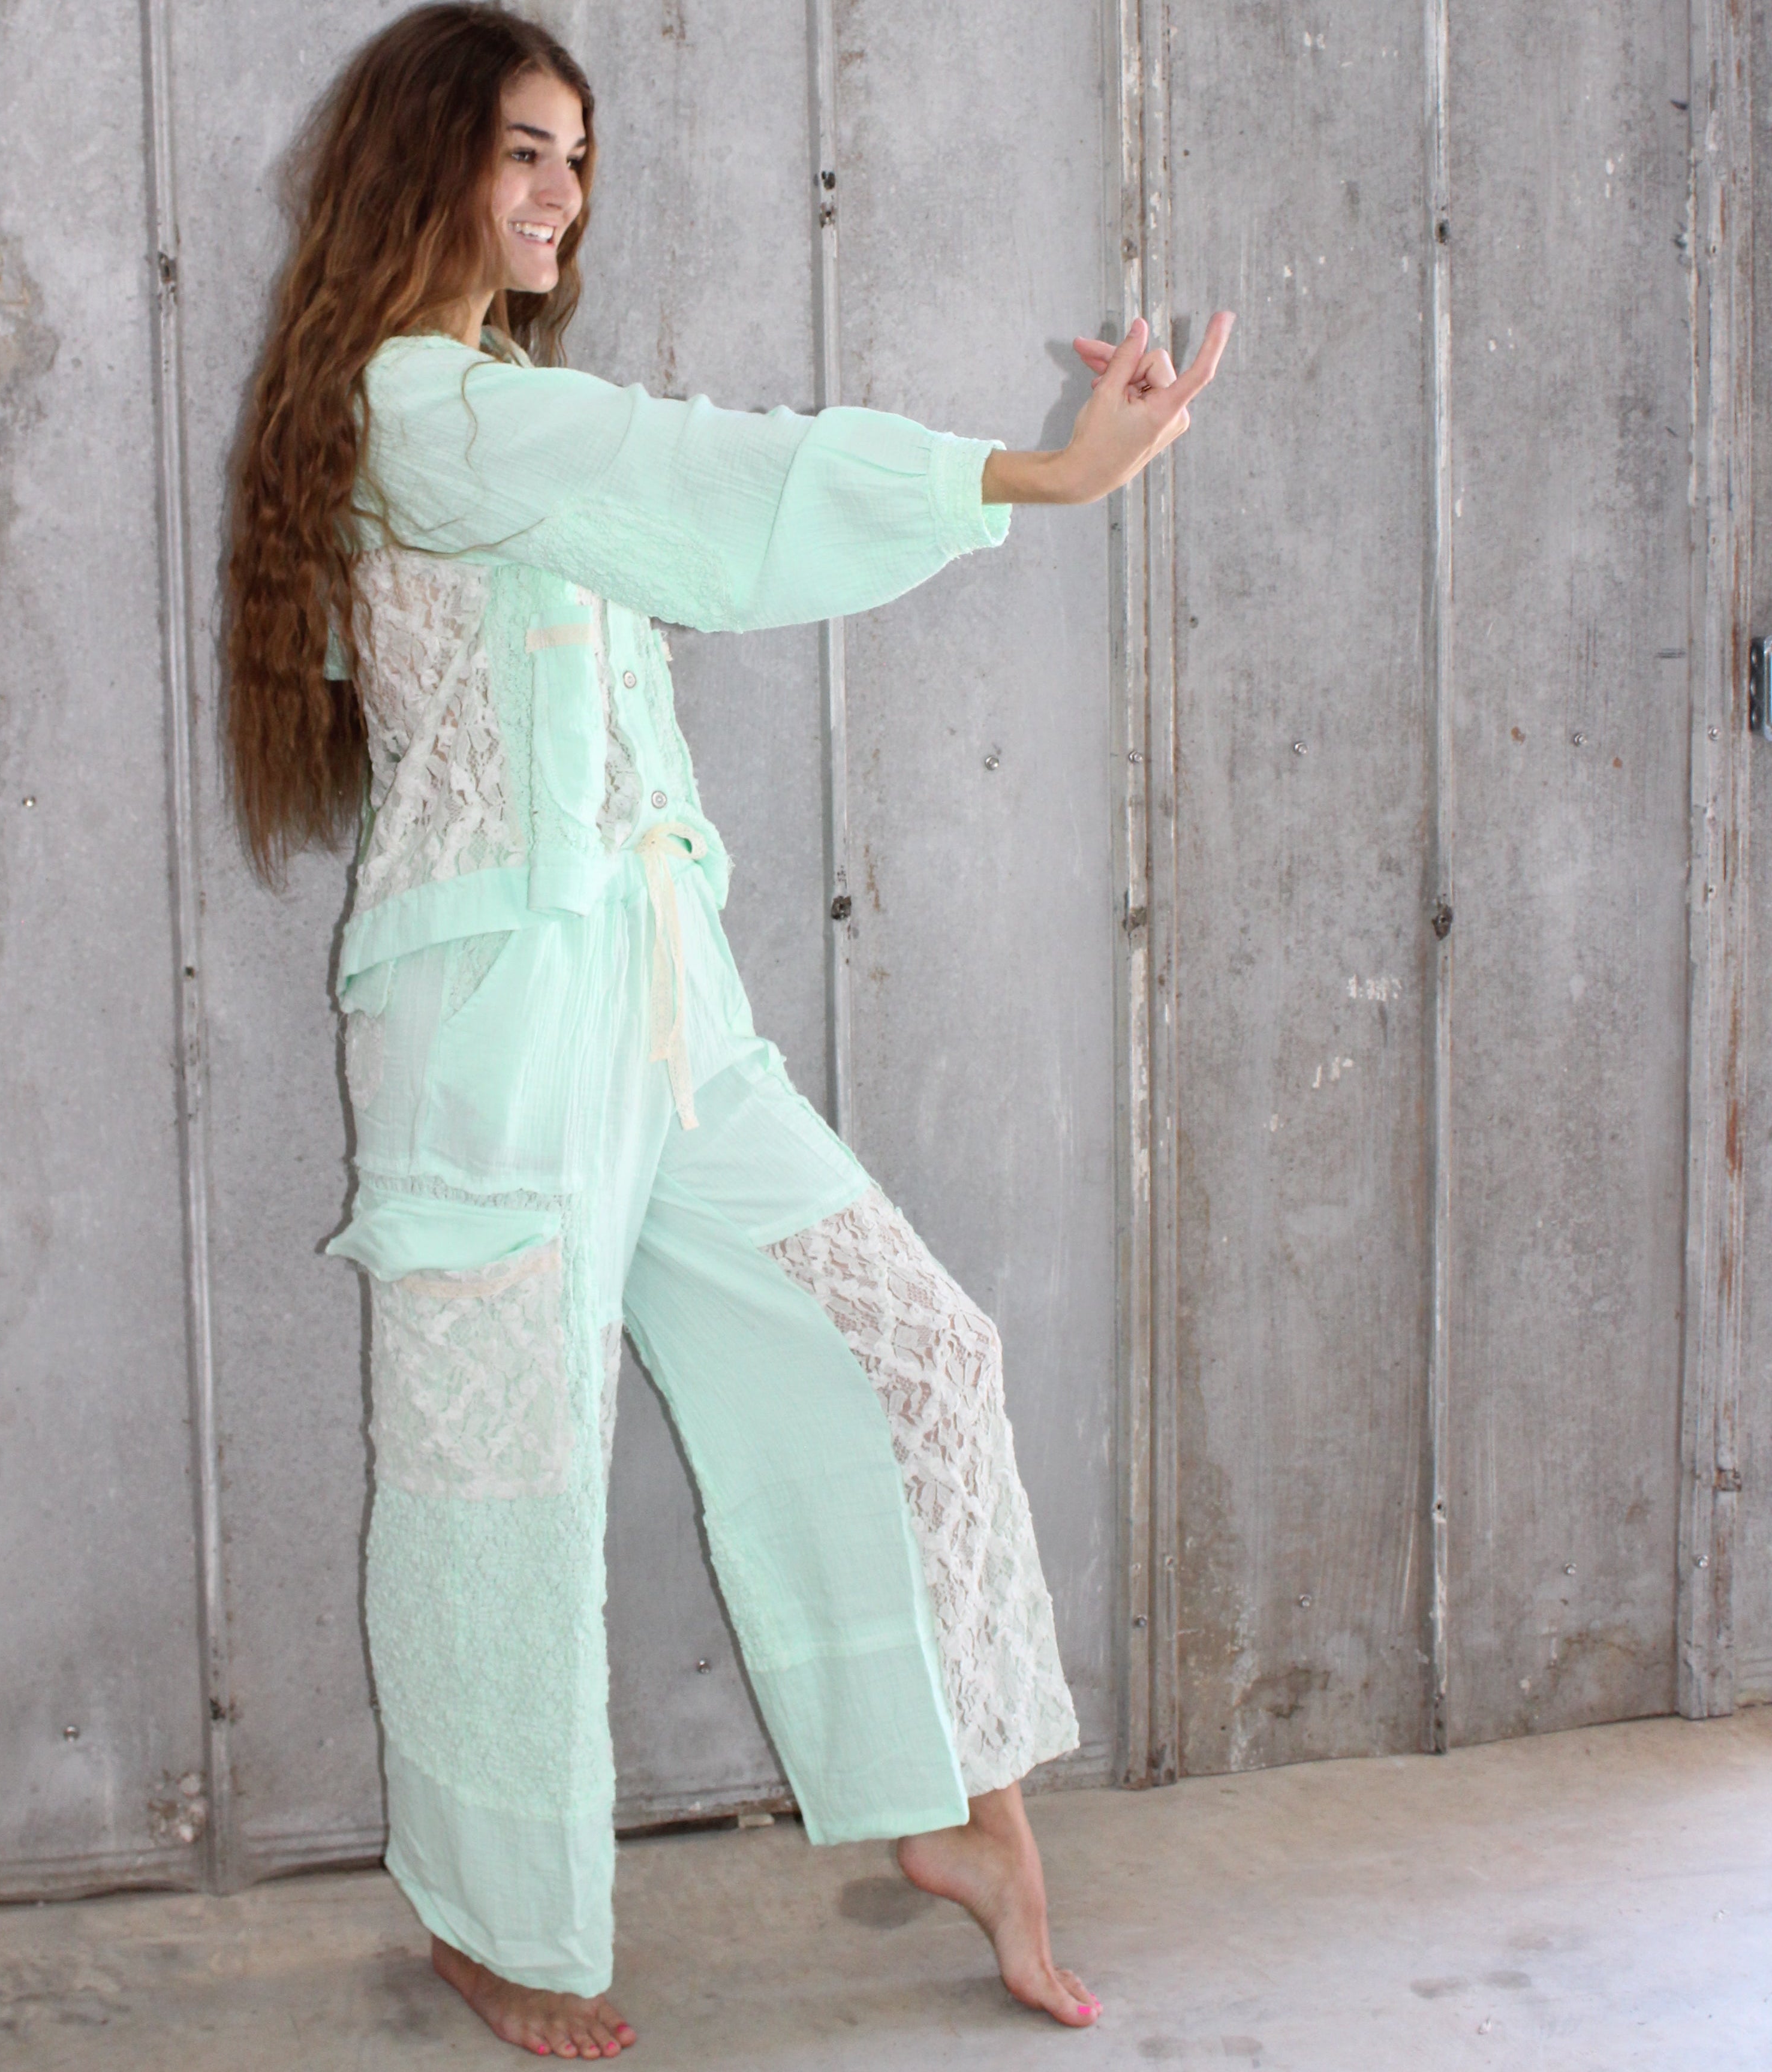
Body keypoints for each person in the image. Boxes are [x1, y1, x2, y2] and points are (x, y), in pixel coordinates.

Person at [224, 5, 1231, 2058]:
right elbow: (700, 472)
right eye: (519, 152)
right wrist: (1024, 476)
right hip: (494, 1020)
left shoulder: (506, 405)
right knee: (501, 1487)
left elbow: (644, 558)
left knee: (912, 1340)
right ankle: (497, 1919)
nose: (556, 197)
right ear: (420, 164)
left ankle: (963, 1805)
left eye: (575, 162)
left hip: (671, 1000)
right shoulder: (422, 413)